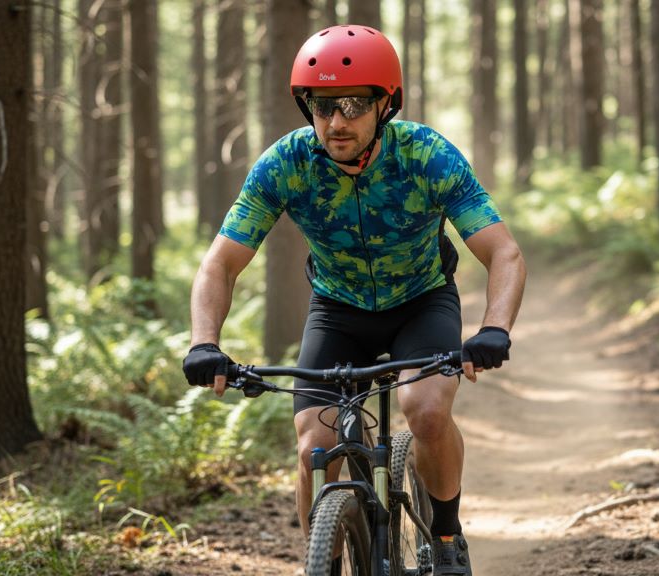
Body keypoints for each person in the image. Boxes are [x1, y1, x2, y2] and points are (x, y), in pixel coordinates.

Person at [182, 25, 526, 576]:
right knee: (313, 447)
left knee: (427, 413)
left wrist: (494, 329)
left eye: (352, 104)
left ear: (385, 104)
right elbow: (219, 263)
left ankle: (445, 535)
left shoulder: (426, 155)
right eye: (321, 106)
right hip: (338, 310)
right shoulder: (287, 164)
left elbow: (503, 253)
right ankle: (326, 557)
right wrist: (205, 342)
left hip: (422, 300)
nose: (335, 122)